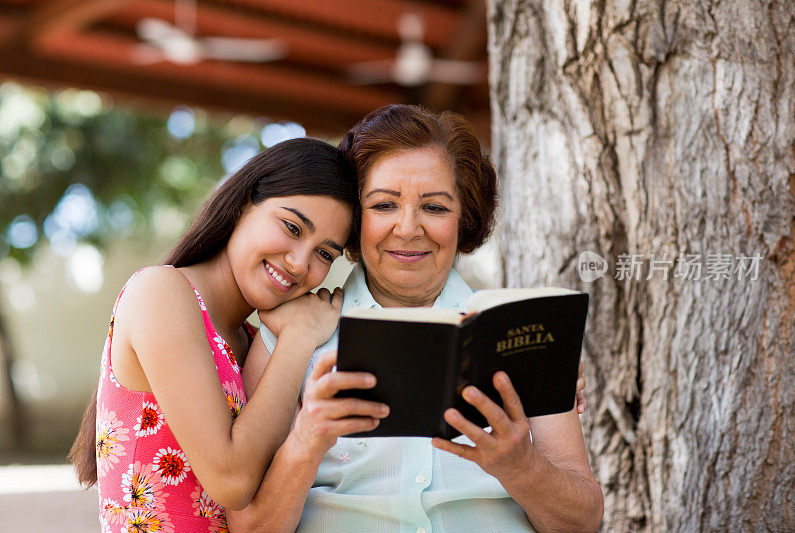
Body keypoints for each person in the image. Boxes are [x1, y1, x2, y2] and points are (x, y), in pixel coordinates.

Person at [228, 105, 603, 532]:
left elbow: (583, 521)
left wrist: (523, 467)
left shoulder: (521, 331)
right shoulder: (289, 333)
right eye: (384, 204)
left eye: (436, 208)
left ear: (465, 218)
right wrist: (306, 441)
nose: (408, 229)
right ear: (355, 220)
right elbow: (248, 527)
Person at [68, 138, 360, 532]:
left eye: (325, 253)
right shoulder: (161, 293)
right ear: (244, 203)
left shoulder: (252, 339)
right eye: (292, 227)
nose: (299, 262)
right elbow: (233, 481)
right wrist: (297, 339)